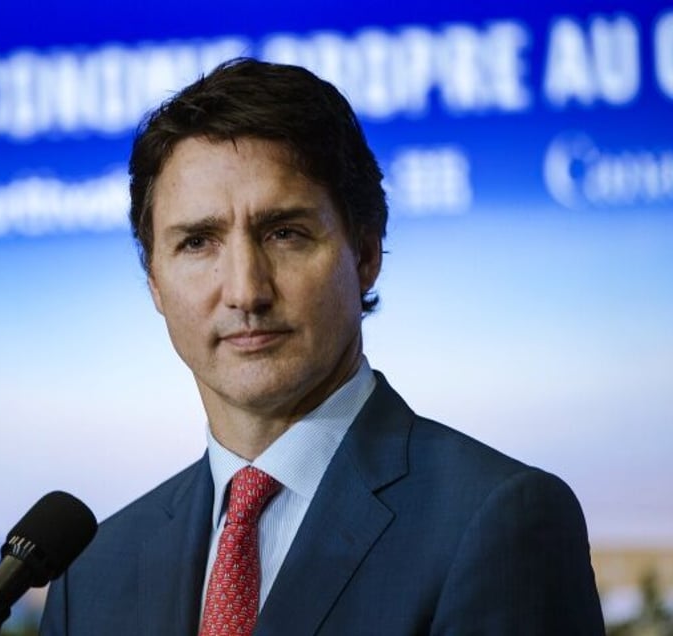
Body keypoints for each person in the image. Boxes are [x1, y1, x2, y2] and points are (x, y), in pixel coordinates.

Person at [39, 58, 605, 635]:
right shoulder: (91, 575)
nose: (245, 291)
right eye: (198, 242)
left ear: (364, 254)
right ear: (155, 282)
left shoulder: (497, 522)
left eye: (284, 233)